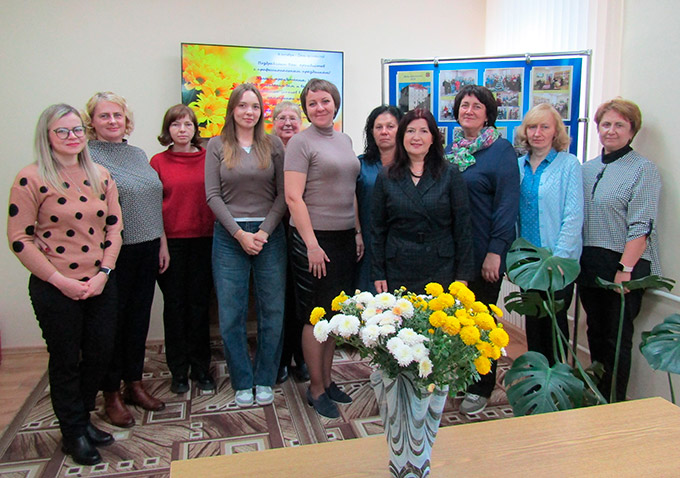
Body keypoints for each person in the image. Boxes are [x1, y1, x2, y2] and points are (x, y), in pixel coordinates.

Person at [8, 104, 123, 465]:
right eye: (63, 131)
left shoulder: (101, 174)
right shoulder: (30, 178)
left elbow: (114, 228)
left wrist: (103, 274)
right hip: (55, 287)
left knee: (100, 353)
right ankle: (73, 432)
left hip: (99, 283)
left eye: (77, 130)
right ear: (47, 136)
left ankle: (83, 418)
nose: (72, 137)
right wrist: (60, 281)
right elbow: (19, 239)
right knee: (65, 360)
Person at [85, 92, 168, 428]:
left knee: (137, 319)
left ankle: (134, 383)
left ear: (126, 120)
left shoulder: (137, 154)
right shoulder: (86, 156)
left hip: (147, 247)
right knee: (111, 326)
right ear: (91, 122)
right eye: (104, 116)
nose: (112, 121)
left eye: (117, 115)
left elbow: (152, 201)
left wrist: (161, 242)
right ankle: (111, 393)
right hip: (112, 253)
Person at [205, 83, 287, 408]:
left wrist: (263, 232)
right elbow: (212, 196)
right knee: (230, 313)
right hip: (230, 237)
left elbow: (283, 195)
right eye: (242, 106)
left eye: (254, 106)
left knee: (273, 311)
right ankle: (242, 380)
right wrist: (240, 234)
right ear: (232, 110)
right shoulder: (216, 145)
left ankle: (264, 377)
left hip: (269, 235)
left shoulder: (273, 144)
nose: (248, 112)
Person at [285, 78, 361, 419]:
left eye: (325, 101)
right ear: (306, 108)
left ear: (335, 103)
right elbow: (293, 197)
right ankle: (315, 388)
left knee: (334, 315)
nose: (319, 107)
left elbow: (351, 190)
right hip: (313, 240)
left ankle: (328, 381)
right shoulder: (300, 142)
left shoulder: (344, 140)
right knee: (314, 316)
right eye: (312, 103)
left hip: (344, 239)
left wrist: (357, 231)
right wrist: (311, 245)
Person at [578, 98, 661, 402]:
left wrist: (625, 270)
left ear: (632, 130)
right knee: (595, 333)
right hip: (591, 263)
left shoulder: (643, 169)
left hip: (624, 265)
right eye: (606, 124)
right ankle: (597, 398)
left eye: (619, 125)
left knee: (617, 340)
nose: (611, 130)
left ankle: (614, 403)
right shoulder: (587, 169)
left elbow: (642, 225)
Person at [445, 84, 520, 415]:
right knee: (458, 319)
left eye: (477, 106)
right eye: (464, 105)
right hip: (453, 251)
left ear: (488, 114)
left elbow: (507, 204)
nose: (469, 111)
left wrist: (496, 251)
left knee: (483, 319)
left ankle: (483, 384)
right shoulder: (451, 150)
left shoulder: (500, 150)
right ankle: (464, 375)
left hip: (484, 249)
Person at [371, 108, 474, 294]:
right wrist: (378, 273)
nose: (416, 137)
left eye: (423, 131)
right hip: (399, 266)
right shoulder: (386, 176)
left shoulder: (450, 174)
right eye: (410, 131)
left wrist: (463, 275)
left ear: (433, 138)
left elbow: (463, 228)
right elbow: (377, 230)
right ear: (402, 136)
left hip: (441, 266)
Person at [150, 105, 215, 394]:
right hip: (171, 243)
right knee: (175, 307)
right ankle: (178, 371)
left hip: (205, 240)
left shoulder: (209, 158)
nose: (182, 130)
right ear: (168, 130)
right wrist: (162, 244)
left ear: (195, 129)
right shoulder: (157, 162)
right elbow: (152, 208)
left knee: (200, 306)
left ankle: (201, 368)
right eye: (176, 125)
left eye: (188, 124)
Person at [514, 104, 583, 364]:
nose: (538, 133)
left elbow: (573, 215)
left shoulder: (568, 165)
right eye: (532, 127)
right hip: (528, 263)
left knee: (555, 325)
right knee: (533, 323)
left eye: (545, 127)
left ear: (556, 131)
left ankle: (556, 378)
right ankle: (537, 376)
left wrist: (560, 258)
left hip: (557, 261)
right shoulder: (518, 166)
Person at [272, 100, 309, 385]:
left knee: (301, 297)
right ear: (272, 124)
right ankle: (282, 358)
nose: (287, 123)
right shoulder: (267, 152)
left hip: (303, 231)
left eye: (293, 118)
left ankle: (303, 357)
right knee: (279, 298)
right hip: (274, 231)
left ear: (301, 123)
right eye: (281, 118)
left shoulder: (308, 149)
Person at [355, 105, 402, 293]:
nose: (384, 132)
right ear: (371, 132)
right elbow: (352, 200)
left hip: (402, 243)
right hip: (367, 241)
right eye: (378, 127)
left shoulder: (410, 166)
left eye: (390, 126)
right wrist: (357, 232)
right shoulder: (360, 164)